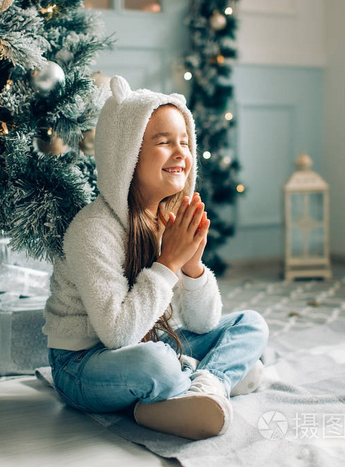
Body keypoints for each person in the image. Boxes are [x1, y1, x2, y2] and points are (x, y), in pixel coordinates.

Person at [42, 76, 268, 440]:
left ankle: (206, 385)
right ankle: (193, 380)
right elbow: (116, 334)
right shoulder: (93, 229)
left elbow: (203, 323)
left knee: (251, 324)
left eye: (184, 142)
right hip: (83, 365)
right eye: (164, 143)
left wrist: (192, 267)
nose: (181, 153)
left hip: (154, 341)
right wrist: (168, 264)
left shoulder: (169, 217)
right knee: (156, 363)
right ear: (126, 155)